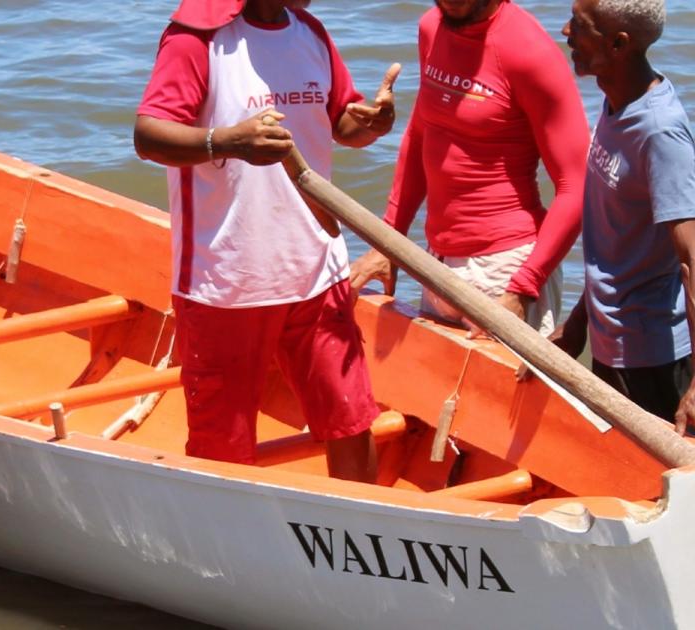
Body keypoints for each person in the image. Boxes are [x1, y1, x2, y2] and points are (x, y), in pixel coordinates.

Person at [134, 0, 399, 481]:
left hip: (319, 271)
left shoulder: (309, 32)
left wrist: (371, 124)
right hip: (227, 283)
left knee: (352, 422)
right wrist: (228, 142)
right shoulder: (198, 38)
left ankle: (358, 532)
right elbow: (149, 136)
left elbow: (341, 123)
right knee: (224, 453)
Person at [350, 0, 589, 338]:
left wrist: (524, 287)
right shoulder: (432, 27)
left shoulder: (529, 51)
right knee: (432, 387)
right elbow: (421, 134)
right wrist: (388, 242)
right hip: (438, 262)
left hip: (505, 271)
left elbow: (576, 184)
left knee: (499, 391)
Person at [553, 0, 695, 432]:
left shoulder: (659, 133)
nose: (565, 32)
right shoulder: (616, 104)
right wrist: (577, 326)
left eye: (580, 26)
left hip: (653, 358)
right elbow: (615, 243)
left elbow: (691, 261)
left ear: (619, 44)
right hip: (611, 343)